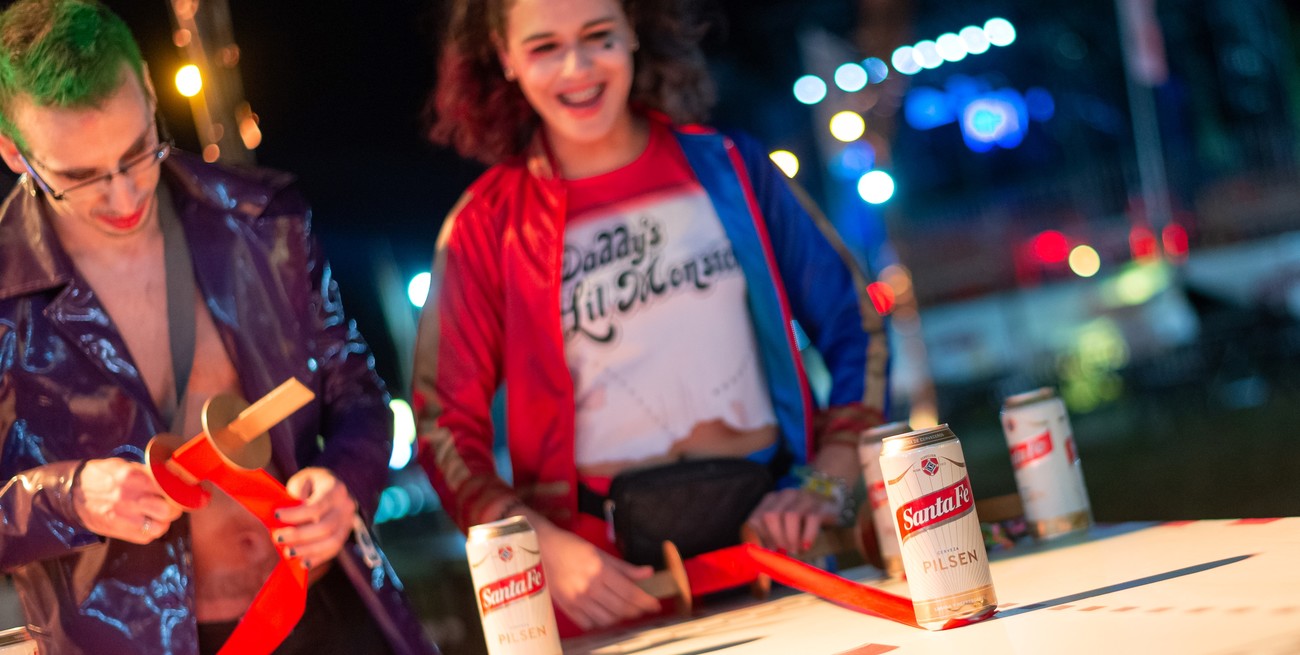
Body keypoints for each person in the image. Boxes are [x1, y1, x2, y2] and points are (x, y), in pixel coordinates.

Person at [414, 0, 889, 635]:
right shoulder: (486, 226)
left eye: (598, 36)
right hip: (607, 589)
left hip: (780, 555)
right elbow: (444, 424)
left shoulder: (732, 168)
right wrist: (535, 548)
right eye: (544, 47)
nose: (578, 69)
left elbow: (856, 324)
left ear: (633, 30)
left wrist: (827, 483)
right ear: (504, 57)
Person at [0, 1, 438, 653]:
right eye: (80, 177)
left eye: (137, 151)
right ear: (14, 151)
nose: (123, 196)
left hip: (324, 608)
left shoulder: (261, 219)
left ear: (150, 95)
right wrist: (68, 498)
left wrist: (344, 481)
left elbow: (358, 392)